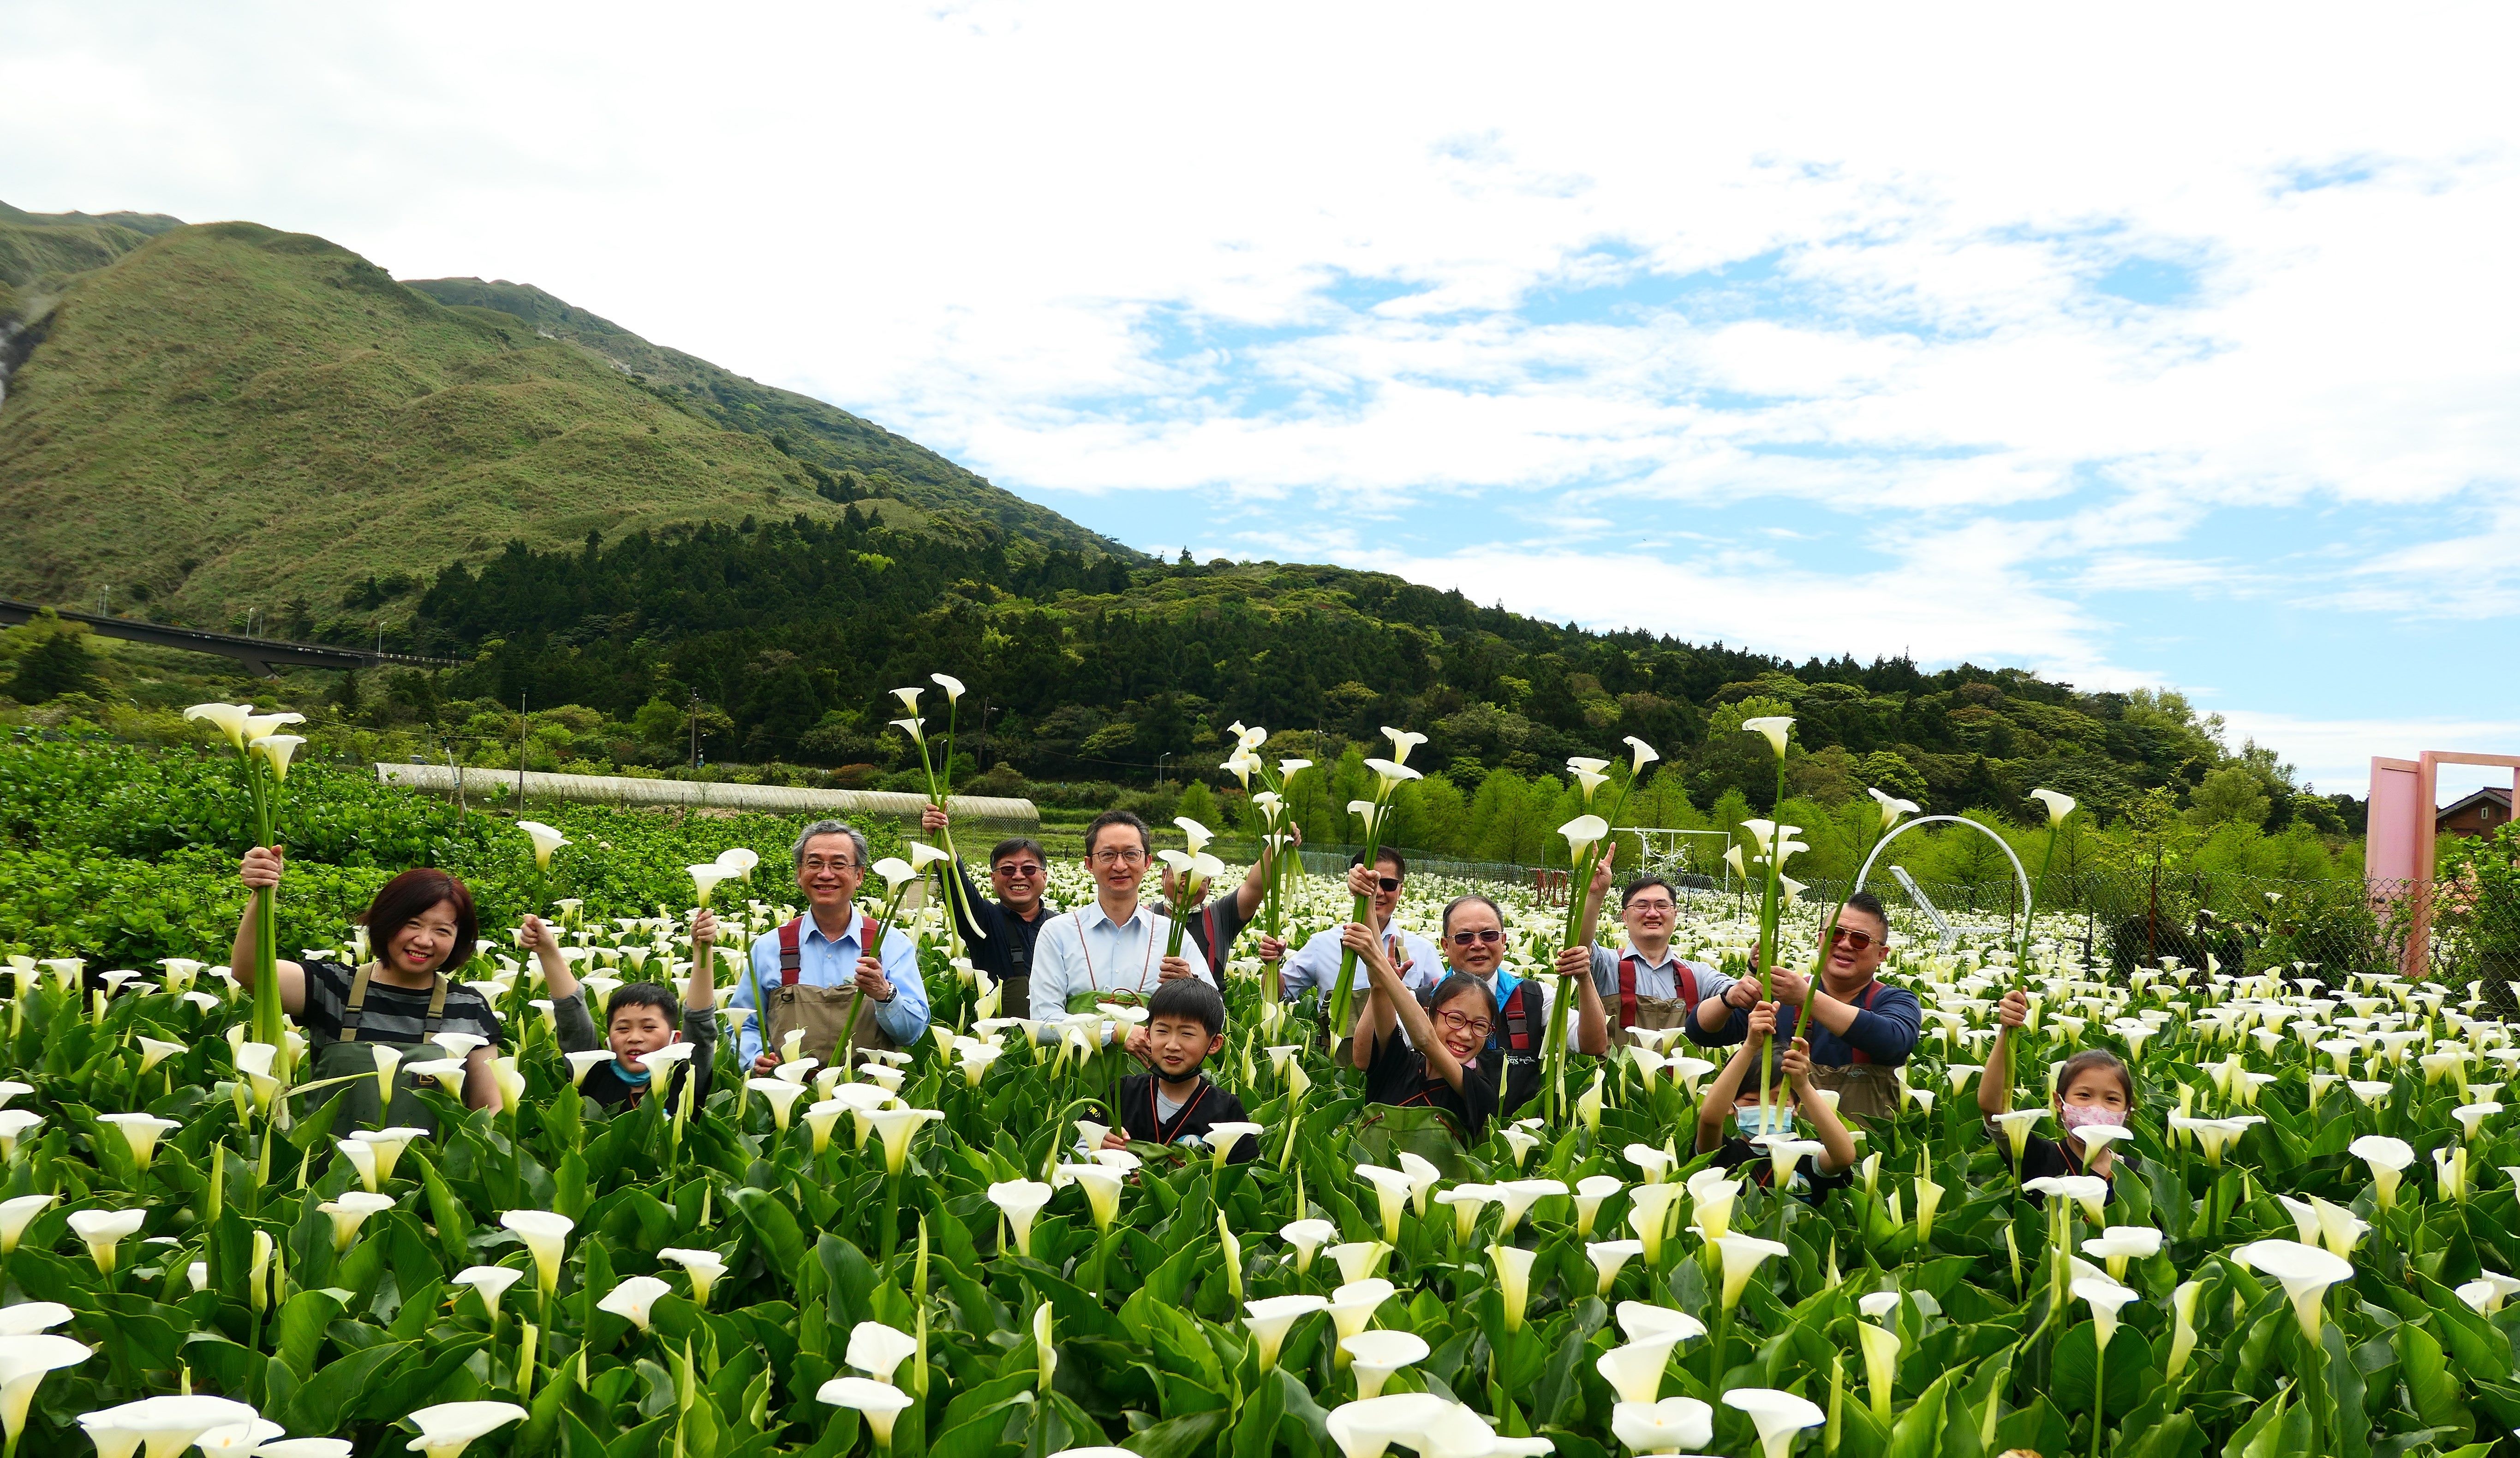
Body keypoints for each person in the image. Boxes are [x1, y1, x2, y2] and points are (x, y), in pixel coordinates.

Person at [232, 849, 503, 1127]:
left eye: (442, 931)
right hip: (332, 1169)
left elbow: (489, 1106)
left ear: (458, 942)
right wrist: (262, 893)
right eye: (413, 924)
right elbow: (251, 972)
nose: (424, 940)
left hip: (426, 1169)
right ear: (386, 922)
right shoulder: (333, 987)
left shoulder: (468, 1008)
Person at [1694, 892, 1920, 1121]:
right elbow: (1702, 1033)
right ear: (1821, 939)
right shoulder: (1783, 996)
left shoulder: (1896, 1000)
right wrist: (1729, 998)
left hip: (1864, 1152)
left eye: (1860, 940)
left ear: (1882, 955)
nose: (1845, 944)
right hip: (1782, 1148)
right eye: (1836, 934)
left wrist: (1807, 998)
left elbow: (1893, 1041)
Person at [734, 820, 931, 1076]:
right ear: (799, 873)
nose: (826, 874)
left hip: (869, 1099)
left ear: (859, 876)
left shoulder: (890, 945)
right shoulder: (769, 947)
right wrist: (754, 1058)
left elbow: (912, 1034)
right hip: (788, 1094)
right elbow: (743, 1025)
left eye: (839, 864)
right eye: (814, 863)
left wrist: (885, 994)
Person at [1429, 888, 1611, 1117]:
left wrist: (1584, 978)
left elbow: (1593, 1045)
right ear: (1446, 945)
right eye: (1465, 937)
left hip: (1517, 1138)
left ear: (1504, 941)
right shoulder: (1422, 1002)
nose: (1478, 945)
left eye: (1489, 935)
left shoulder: (1535, 996)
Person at [1028, 810, 1212, 1032]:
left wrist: (1190, 986)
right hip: (1077, 1063)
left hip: (1152, 1065)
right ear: (1089, 864)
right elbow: (1044, 1020)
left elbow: (1215, 1017)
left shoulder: (1173, 933)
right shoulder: (1058, 933)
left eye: (1131, 855)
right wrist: (1114, 1034)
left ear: (1147, 863)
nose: (1120, 866)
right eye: (1107, 855)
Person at [523, 907, 721, 1111]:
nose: (634, 1037)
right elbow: (571, 1017)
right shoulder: (594, 1074)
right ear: (608, 1042)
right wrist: (547, 952)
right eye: (623, 1029)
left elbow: (700, 1023)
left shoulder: (686, 1077)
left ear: (676, 1040)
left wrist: (702, 950)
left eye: (649, 1028)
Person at [1344, 917, 1503, 1146]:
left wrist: (1378, 964)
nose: (1466, 1035)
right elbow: (1361, 1055)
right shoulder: (1399, 1064)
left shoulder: (1478, 1087)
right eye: (1456, 1019)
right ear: (1430, 1016)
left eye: (1480, 1026)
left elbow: (1426, 1041)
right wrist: (1369, 894)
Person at [1569, 857, 1749, 1046]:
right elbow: (1578, 949)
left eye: (1662, 906)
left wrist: (1751, 972)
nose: (1653, 914)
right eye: (1642, 906)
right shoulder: (1607, 965)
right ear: (1625, 916)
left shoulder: (1699, 975)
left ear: (1675, 915)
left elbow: (1736, 993)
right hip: (1615, 1076)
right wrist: (1595, 896)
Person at [1693, 1001, 1859, 1204]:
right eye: (1752, 1100)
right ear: (1731, 1106)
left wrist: (1804, 1086)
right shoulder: (1725, 1154)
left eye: (1779, 1100)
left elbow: (1844, 1157)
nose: (1765, 1109)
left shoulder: (1807, 1154)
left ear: (1796, 1107)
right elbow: (1710, 1120)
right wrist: (1750, 1047)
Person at [1980, 986, 2134, 1203]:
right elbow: (1992, 1107)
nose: (2097, 1108)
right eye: (2084, 1095)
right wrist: (2006, 1030)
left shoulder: (2137, 1174)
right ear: (2058, 1102)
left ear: (2127, 1111)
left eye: (2112, 1099)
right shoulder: (2038, 1157)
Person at [1278, 848, 1440, 1037]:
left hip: (1401, 1065)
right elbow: (1280, 996)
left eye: (1388, 884)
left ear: (1401, 890)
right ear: (1354, 887)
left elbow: (1443, 1011)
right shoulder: (1322, 944)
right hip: (1336, 1066)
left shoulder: (1423, 951)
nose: (1378, 892)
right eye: (1370, 884)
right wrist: (1272, 964)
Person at [1098, 978, 1260, 1163]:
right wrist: (1097, 1148)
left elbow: (1243, 1175)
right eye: (1162, 1031)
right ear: (1148, 1036)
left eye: (1187, 1034)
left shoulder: (1225, 1109)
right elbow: (1074, 1156)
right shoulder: (1123, 1092)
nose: (1172, 1045)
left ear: (1214, 1044)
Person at [921, 805, 1054, 1019]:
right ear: (993, 879)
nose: (1019, 876)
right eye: (1008, 870)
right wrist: (941, 836)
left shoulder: (1061, 926)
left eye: (1029, 869)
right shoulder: (983, 921)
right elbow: (957, 886)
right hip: (1001, 1045)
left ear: (1044, 877)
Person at [1169, 824, 1297, 974]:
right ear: (1164, 875)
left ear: (1208, 883)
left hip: (1209, 997)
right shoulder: (1145, 917)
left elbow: (1255, 888)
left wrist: (1277, 842)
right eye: (1181, 875)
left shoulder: (1219, 916)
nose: (1187, 884)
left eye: (1196, 878)